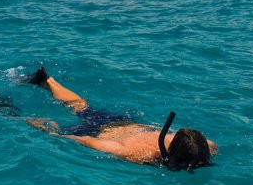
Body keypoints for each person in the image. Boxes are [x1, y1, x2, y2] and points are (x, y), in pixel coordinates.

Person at [23, 68, 216, 170]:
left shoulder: (201, 145)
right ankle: (21, 111)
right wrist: (54, 133)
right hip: (97, 131)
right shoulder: (136, 153)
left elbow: (208, 144)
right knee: (59, 120)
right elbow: (89, 141)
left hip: (124, 123)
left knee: (80, 106)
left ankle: (49, 81)